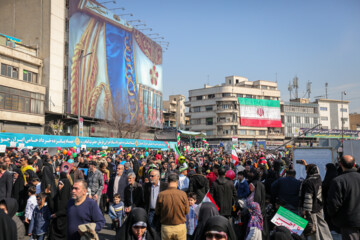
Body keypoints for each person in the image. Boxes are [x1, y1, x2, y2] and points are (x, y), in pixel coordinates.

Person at [327, 155, 360, 240]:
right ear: (354, 165)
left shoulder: (338, 181)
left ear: (341, 164)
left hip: (348, 223)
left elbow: (334, 204)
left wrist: (334, 218)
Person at [299, 163, 332, 240]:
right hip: (319, 206)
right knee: (321, 224)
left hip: (312, 208)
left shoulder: (309, 182)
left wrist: (306, 210)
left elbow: (308, 197)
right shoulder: (318, 178)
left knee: (313, 227)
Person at [155, 173, 189, 240]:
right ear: (177, 182)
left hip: (166, 227)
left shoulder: (161, 195)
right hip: (180, 227)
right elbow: (187, 211)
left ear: (168, 182)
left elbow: (157, 212)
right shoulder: (183, 194)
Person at [48, 172, 71, 240]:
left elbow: (68, 209)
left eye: (61, 184)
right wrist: (49, 195)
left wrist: (57, 214)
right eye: (59, 184)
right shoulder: (57, 196)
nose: (59, 186)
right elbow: (52, 207)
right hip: (56, 223)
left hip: (64, 223)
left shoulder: (69, 198)